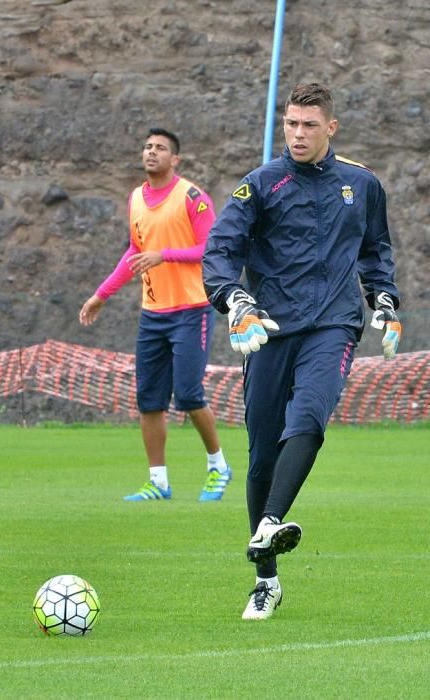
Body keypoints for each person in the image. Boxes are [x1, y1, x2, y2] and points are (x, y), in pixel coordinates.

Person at [202, 83, 401, 620]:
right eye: (291, 123)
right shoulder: (260, 185)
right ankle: (266, 580)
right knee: (262, 454)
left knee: (310, 413)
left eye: (309, 125)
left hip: (334, 324)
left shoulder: (362, 185)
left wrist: (382, 299)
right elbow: (219, 251)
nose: (297, 133)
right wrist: (235, 298)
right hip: (268, 328)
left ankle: (268, 524)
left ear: (330, 128)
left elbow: (375, 250)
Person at [79, 127, 231, 502]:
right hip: (153, 314)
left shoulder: (191, 197)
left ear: (174, 159)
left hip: (191, 310)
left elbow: (208, 248)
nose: (151, 152)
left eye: (160, 148)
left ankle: (218, 467)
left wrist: (164, 255)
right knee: (149, 400)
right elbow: (135, 250)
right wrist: (102, 295)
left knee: (190, 394)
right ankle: (158, 481)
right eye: (147, 147)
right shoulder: (135, 199)